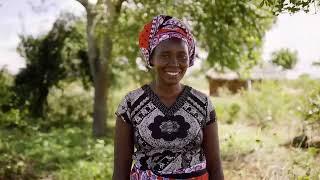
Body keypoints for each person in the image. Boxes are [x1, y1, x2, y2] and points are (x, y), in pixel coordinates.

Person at [113, 15, 224, 180]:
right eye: (165, 55)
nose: (174, 63)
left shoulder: (203, 103)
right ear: (151, 58)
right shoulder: (130, 104)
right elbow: (120, 171)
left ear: (190, 58)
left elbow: (215, 167)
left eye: (182, 56)